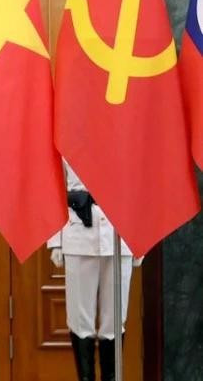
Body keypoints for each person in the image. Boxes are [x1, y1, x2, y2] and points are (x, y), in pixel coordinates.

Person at [48, 161, 142, 381]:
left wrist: (141, 239)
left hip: (119, 234)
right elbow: (52, 184)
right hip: (78, 234)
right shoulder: (67, 134)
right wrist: (55, 241)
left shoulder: (125, 134)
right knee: (80, 321)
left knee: (115, 319)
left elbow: (141, 185)